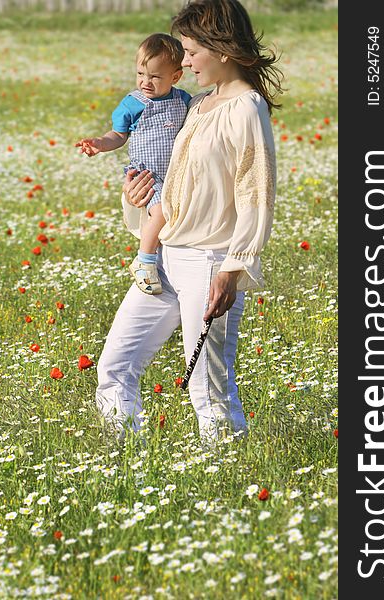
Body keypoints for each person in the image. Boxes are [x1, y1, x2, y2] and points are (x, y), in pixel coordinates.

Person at [95, 0, 283, 444]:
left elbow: (256, 193)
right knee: (115, 366)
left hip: (208, 262)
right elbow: (171, 180)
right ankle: (124, 460)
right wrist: (135, 198)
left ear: (222, 49)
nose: (184, 60)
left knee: (209, 388)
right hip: (164, 256)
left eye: (191, 50)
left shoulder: (246, 108)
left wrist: (232, 270)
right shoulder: (196, 105)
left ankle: (227, 482)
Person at [76, 33, 192, 295]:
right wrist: (100, 143)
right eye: (141, 74)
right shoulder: (132, 104)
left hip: (173, 173)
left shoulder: (182, 100)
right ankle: (145, 261)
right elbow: (117, 135)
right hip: (148, 174)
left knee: (174, 214)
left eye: (154, 76)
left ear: (175, 77)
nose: (146, 82)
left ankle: (166, 260)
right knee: (161, 212)